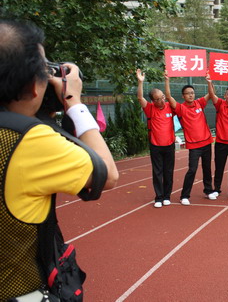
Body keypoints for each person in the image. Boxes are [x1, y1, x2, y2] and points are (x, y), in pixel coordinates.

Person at [0, 19, 118, 299]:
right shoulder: (29, 140)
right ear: (32, 87)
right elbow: (108, 173)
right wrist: (72, 100)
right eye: (45, 70)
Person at [164, 71, 216, 205]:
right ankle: (184, 196)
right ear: (183, 95)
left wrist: (209, 82)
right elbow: (168, 96)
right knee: (192, 169)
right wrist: (167, 80)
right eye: (188, 93)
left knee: (207, 168)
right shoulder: (180, 108)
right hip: (193, 145)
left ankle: (208, 190)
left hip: (206, 142)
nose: (191, 95)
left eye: (192, 92)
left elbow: (211, 94)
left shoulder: (199, 103)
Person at [136, 69, 175, 208]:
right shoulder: (150, 108)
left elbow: (170, 96)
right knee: (157, 171)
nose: (161, 100)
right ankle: (158, 197)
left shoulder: (170, 107)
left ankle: (167, 196)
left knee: (168, 171)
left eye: (162, 97)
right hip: (156, 145)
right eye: (158, 99)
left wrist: (166, 80)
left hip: (170, 144)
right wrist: (140, 82)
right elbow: (140, 98)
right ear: (153, 100)